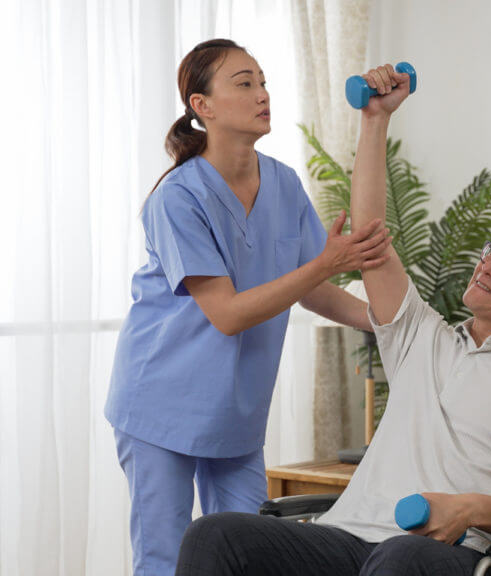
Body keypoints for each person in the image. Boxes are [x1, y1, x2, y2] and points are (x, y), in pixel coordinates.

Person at [175, 64, 491, 576]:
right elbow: (370, 234)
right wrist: (374, 121)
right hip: (347, 539)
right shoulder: (422, 335)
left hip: (450, 551)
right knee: (215, 533)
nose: (487, 266)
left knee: (401, 555)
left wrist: (467, 508)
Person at [104, 39, 392, 576]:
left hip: (236, 410)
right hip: (161, 402)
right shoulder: (178, 198)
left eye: (263, 82)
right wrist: (324, 264)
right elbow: (229, 312)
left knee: (248, 557)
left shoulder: (282, 182)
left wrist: (385, 323)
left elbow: (309, 287)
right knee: (166, 560)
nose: (262, 94)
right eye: (244, 83)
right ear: (202, 105)